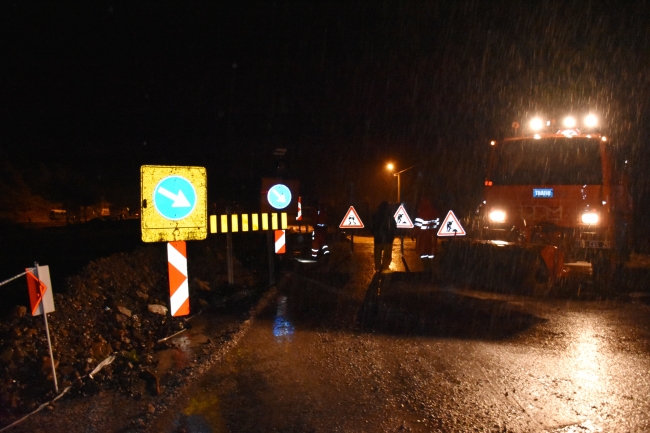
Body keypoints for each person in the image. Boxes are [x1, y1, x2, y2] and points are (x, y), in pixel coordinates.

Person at [414, 198, 440, 273]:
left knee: (424, 256)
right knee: (430, 256)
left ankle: (426, 273)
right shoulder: (435, 212)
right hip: (432, 240)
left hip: (423, 240)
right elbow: (437, 226)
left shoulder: (421, 213)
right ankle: (430, 273)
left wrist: (413, 234)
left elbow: (417, 227)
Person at [371, 201, 397, 272]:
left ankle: (378, 268)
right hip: (388, 238)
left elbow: (372, 226)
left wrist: (375, 233)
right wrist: (392, 235)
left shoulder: (375, 215)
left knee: (377, 254)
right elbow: (393, 226)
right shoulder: (389, 215)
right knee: (387, 254)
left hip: (378, 238)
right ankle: (385, 268)